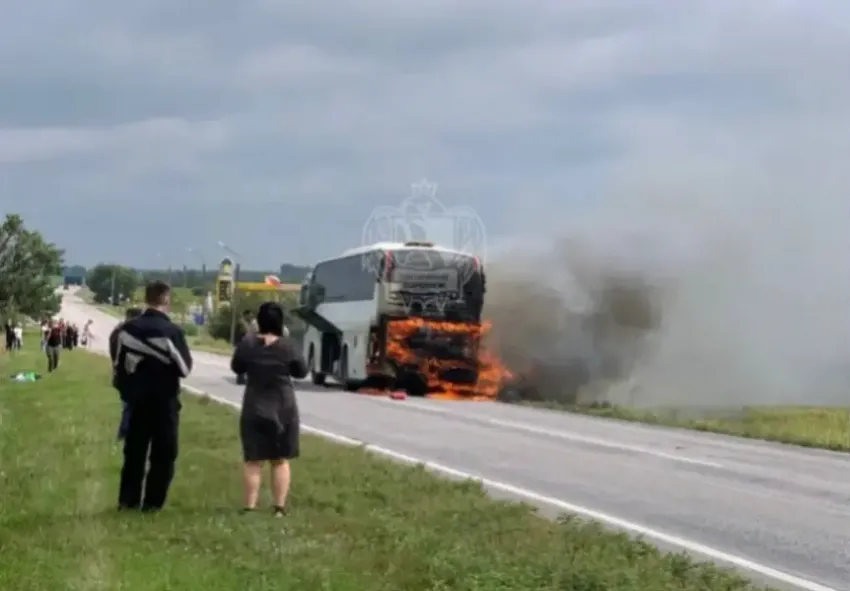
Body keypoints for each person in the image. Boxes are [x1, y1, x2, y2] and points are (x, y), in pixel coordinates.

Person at [111, 281, 193, 513]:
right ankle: (152, 504)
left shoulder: (127, 330)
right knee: (164, 454)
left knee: (134, 453)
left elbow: (119, 366)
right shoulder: (172, 332)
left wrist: (127, 392)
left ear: (147, 298)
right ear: (165, 299)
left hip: (136, 401)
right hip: (164, 402)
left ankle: (128, 501)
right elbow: (185, 369)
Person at [230, 301, 307, 516]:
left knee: (253, 460)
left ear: (259, 322)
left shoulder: (248, 344)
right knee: (279, 460)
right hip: (283, 407)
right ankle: (279, 508)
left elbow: (236, 367)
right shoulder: (288, 345)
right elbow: (301, 371)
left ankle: (249, 507)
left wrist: (252, 338)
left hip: (254, 405)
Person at [109, 307, 143, 441]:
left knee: (128, 404)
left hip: (121, 372)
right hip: (130, 372)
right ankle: (125, 432)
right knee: (130, 405)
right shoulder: (128, 333)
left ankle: (128, 431)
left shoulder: (117, 331)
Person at [235, 310, 258, 385]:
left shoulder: (246, 322)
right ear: (246, 315)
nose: (251, 317)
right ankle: (240, 379)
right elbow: (245, 332)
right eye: (250, 315)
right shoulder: (242, 322)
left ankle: (242, 378)